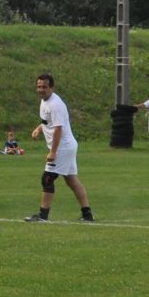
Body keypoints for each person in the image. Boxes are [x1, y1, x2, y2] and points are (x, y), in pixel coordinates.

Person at [25, 72, 93, 223]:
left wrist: (53, 152)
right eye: (38, 86)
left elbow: (58, 129)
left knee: (47, 178)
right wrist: (39, 128)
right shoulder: (45, 101)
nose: (41, 90)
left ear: (52, 87)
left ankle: (43, 216)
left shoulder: (56, 104)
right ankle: (87, 214)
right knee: (72, 180)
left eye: (44, 87)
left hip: (63, 147)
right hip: (66, 147)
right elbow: (47, 121)